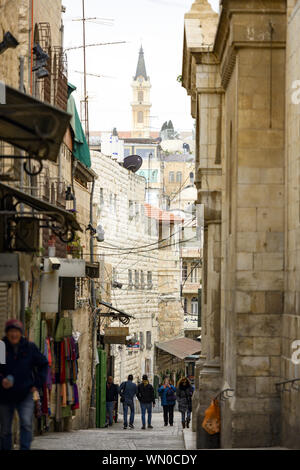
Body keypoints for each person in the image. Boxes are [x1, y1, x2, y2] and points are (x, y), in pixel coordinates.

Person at [0, 319, 48, 450]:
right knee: (5, 429)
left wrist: (36, 384)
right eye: (11, 332)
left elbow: (43, 364)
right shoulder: (2, 347)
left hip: (25, 393)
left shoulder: (29, 348)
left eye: (16, 332)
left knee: (26, 424)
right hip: (5, 395)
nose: (14, 334)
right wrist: (2, 380)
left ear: (21, 333)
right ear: (7, 333)